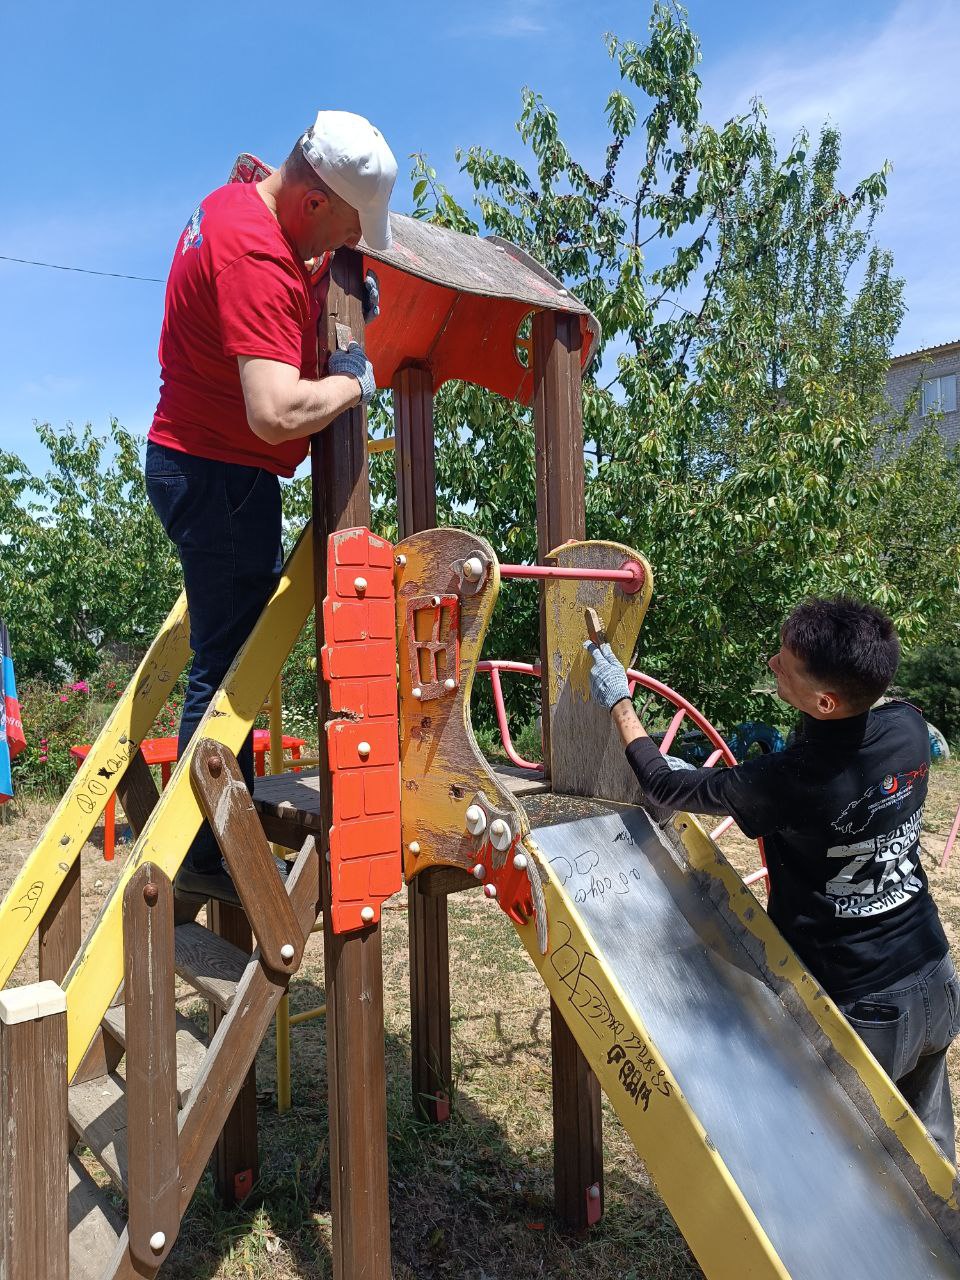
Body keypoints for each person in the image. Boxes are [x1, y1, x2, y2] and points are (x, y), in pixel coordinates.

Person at [587, 596, 960, 1159]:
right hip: (935, 975)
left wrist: (618, 700)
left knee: (845, 1166)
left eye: (785, 662)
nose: (771, 663)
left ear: (825, 700)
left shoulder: (787, 782)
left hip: (866, 1009)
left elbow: (660, 782)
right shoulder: (906, 727)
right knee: (934, 1174)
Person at [145, 111, 397, 905]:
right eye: (350, 229)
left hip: (205, 465)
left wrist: (328, 282)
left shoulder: (243, 203)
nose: (351, 245)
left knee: (226, 655)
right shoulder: (254, 250)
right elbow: (275, 410)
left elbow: (287, 272)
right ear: (315, 200)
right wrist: (356, 379)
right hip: (222, 475)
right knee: (226, 671)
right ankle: (205, 845)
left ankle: (215, 828)